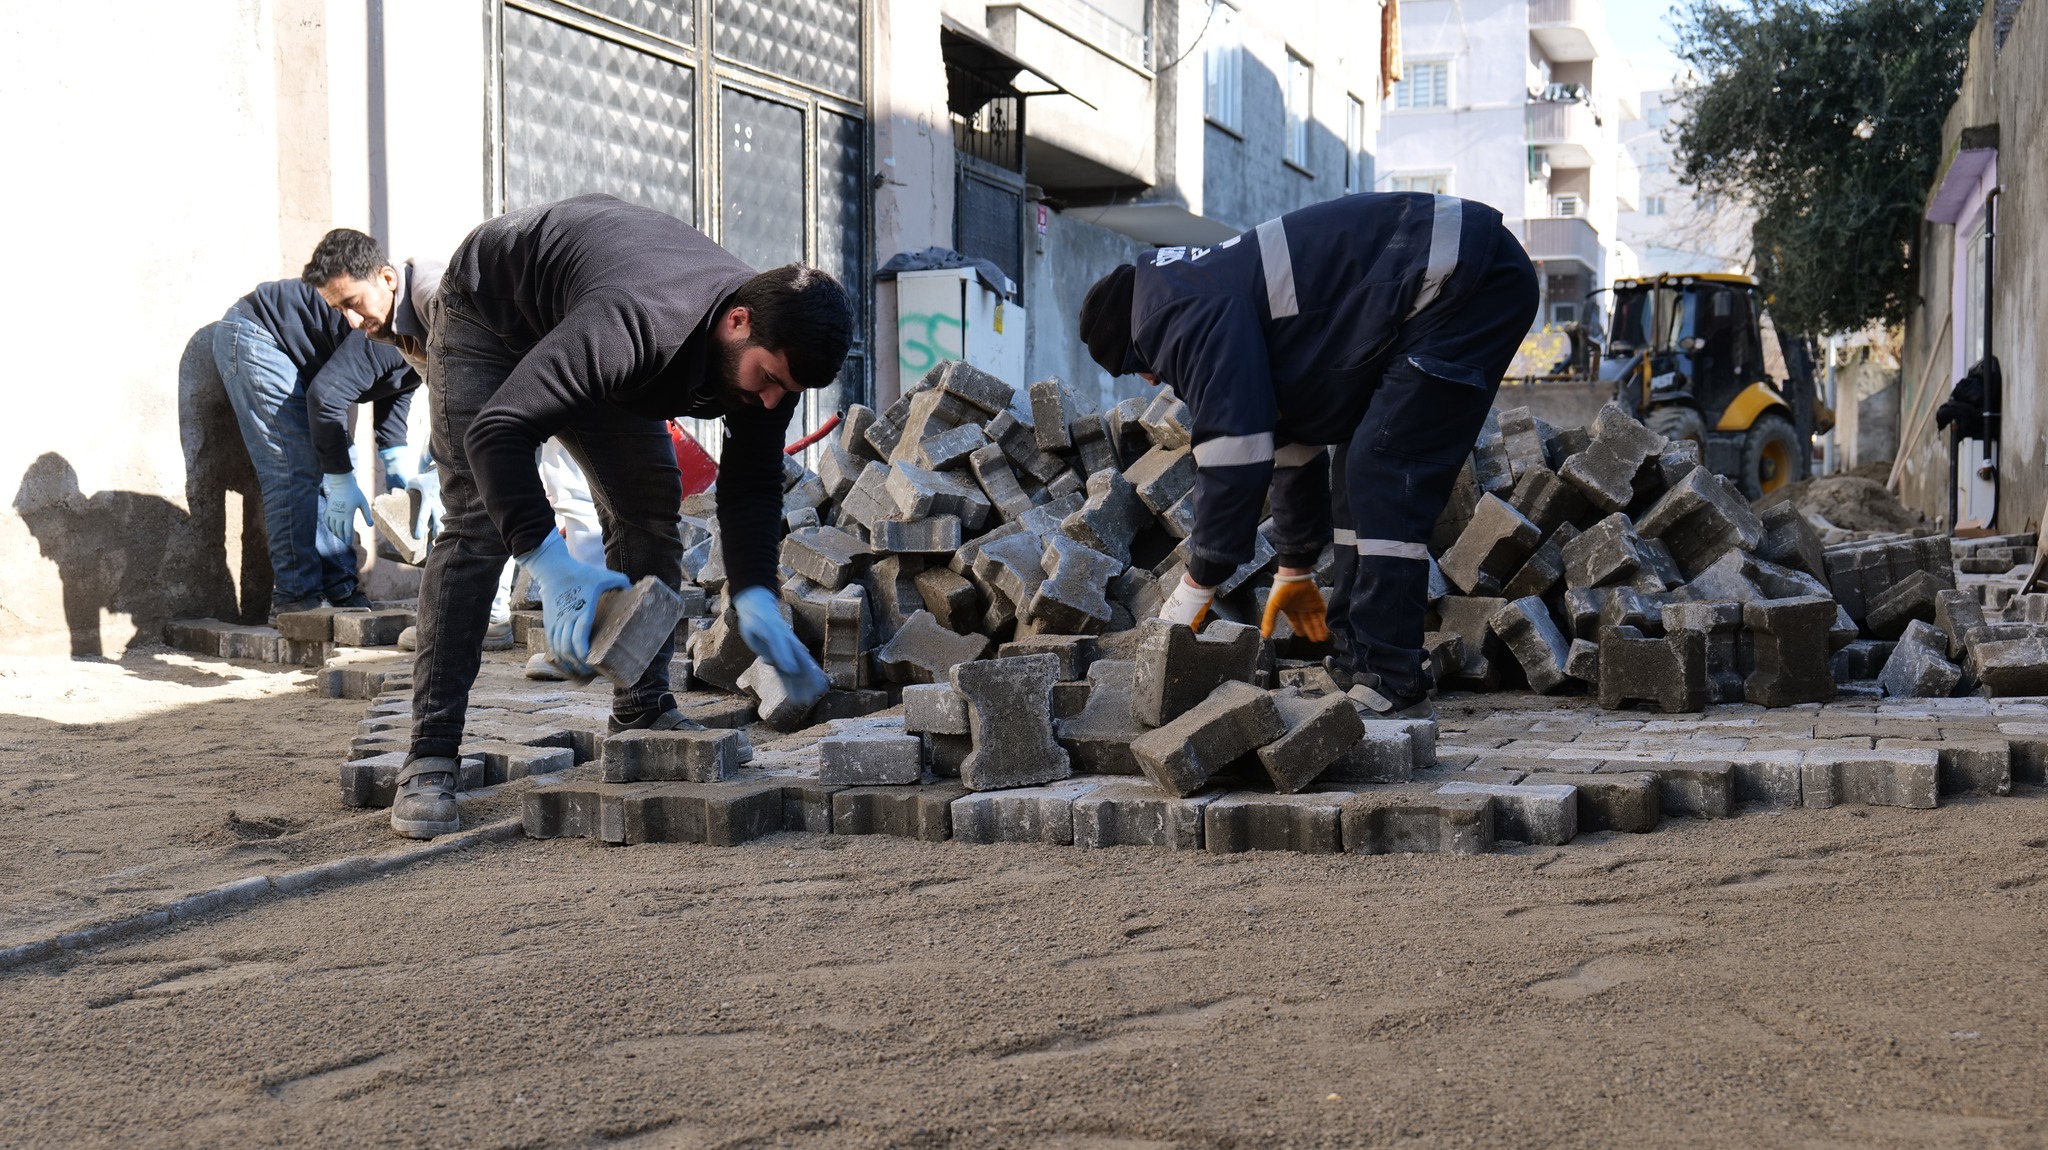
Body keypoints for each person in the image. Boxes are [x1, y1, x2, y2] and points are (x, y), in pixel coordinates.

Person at [384, 192, 853, 839]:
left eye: (787, 392)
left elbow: (749, 489)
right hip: (491, 312)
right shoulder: (641, 320)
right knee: (478, 522)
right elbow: (497, 432)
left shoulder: (772, 359)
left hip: (585, 323)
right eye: (767, 378)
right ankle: (430, 753)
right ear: (738, 321)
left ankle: (643, 707)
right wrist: (550, 564)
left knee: (648, 504)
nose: (770, 399)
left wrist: (754, 594)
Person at [1077, 192, 1539, 718]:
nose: (1150, 378)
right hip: (1442, 276)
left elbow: (1234, 452)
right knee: (1355, 467)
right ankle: (1357, 659)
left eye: (1137, 365)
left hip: (1465, 277)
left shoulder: (1176, 314)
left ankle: (1392, 679)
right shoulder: (1197, 288)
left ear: (1134, 341)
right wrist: (1295, 565)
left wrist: (1197, 582)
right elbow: (1287, 439)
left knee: (1383, 466)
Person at [211, 278, 419, 620]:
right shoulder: (395, 329)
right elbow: (325, 397)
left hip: (302, 360)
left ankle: (338, 587)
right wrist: (338, 479)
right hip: (258, 333)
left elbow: (395, 393)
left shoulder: (430, 349)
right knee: (296, 466)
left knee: (339, 458)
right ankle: (296, 596)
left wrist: (397, 466)